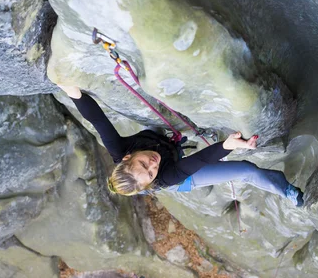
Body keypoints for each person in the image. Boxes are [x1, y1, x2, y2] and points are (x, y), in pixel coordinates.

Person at [57, 85, 304, 206]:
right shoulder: (165, 177)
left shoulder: (118, 148)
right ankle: (286, 191)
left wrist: (71, 91)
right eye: (150, 172)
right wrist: (228, 145)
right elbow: (198, 162)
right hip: (185, 175)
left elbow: (98, 120)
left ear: (126, 157)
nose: (152, 164)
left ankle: (165, 142)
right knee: (247, 170)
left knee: (154, 134)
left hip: (155, 140)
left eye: (144, 163)